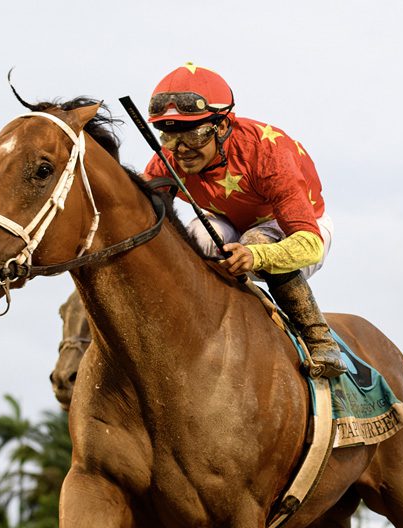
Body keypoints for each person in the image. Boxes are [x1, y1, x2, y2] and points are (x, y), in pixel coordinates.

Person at [143, 63, 345, 378]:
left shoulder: (268, 151)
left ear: (222, 126)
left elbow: (311, 246)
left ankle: (320, 339)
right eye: (169, 136)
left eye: (194, 134)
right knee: (194, 241)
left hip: (295, 228)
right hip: (229, 222)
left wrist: (255, 256)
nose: (181, 150)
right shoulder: (168, 159)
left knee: (255, 242)